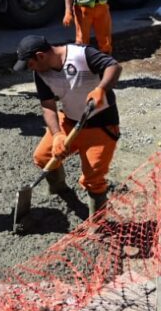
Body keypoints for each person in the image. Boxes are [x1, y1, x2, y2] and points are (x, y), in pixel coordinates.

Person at [14, 34, 122, 217]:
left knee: (93, 178)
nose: (30, 68)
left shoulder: (81, 55)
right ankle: (59, 189)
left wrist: (101, 89)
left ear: (40, 56)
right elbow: (47, 106)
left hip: (101, 125)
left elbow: (114, 66)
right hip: (69, 121)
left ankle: (98, 222)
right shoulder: (41, 73)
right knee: (43, 157)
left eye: (30, 63)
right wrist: (57, 135)